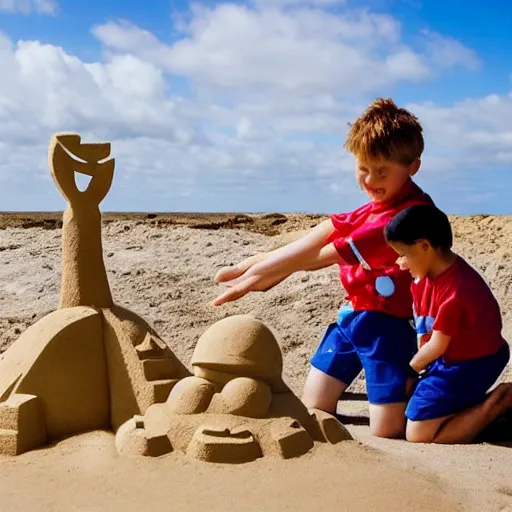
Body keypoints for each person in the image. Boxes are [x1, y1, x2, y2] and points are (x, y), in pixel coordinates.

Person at [211, 98, 435, 438]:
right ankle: (392, 387)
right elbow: (320, 234)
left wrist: (260, 277)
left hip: (387, 328)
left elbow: (319, 258)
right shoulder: (376, 204)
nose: (370, 179)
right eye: (363, 168)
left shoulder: (404, 217)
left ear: (413, 166)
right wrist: (254, 264)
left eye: (382, 171)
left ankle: (418, 388)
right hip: (352, 318)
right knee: (314, 406)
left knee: (386, 430)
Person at [384, 204, 512, 444]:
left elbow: (437, 346)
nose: (401, 262)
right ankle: (470, 412)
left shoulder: (457, 290)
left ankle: (499, 402)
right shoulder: (426, 274)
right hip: (447, 359)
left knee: (418, 433)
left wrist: (410, 370)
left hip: (471, 362)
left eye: (404, 254)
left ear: (425, 246)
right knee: (401, 409)